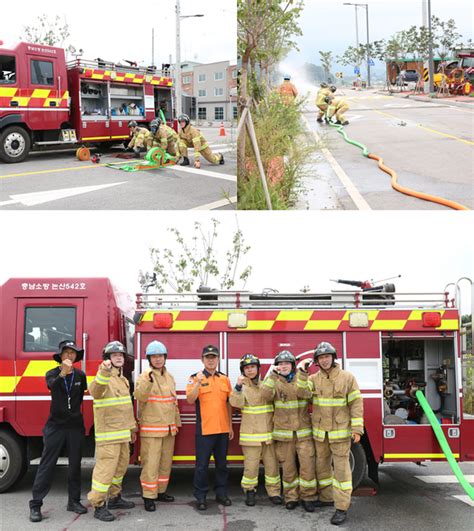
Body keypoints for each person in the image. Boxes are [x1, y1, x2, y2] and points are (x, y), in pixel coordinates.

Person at [302, 342, 364, 526]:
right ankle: (327, 498)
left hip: (340, 433)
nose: (325, 360)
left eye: (327, 356)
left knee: (342, 472)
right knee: (322, 468)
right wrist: (301, 373)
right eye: (321, 358)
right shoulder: (313, 379)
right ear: (317, 361)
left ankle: (341, 508)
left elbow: (356, 403)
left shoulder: (347, 377)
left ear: (333, 357)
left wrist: (356, 428)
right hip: (321, 434)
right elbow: (301, 393)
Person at [29, 341, 88, 522]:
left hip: (75, 427)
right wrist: (63, 374)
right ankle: (36, 505)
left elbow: (79, 397)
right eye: (66, 353)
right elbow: (52, 387)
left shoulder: (80, 375)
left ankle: (74, 501)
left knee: (75, 465)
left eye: (73, 353)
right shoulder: (52, 373)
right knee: (47, 464)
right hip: (56, 426)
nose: (70, 356)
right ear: (60, 356)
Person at [87, 341, 137, 522]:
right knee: (105, 472)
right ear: (107, 358)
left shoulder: (123, 380)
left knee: (121, 467)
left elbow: (126, 407)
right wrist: (104, 371)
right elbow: (95, 391)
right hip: (108, 437)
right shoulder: (103, 376)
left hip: (123, 434)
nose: (119, 357)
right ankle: (98, 505)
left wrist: (132, 428)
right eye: (114, 355)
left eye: (121, 355)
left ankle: (115, 498)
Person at [261, 351, 316, 512]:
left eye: (287, 363)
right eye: (280, 363)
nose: (284, 366)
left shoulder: (303, 379)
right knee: (288, 468)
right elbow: (265, 395)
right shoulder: (274, 381)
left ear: (293, 365)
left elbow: (305, 394)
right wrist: (272, 376)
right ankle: (291, 497)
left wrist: (303, 374)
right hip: (284, 434)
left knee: (307, 466)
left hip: (303, 433)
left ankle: (308, 497)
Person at [134, 341, 181, 512]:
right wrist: (147, 381)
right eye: (154, 357)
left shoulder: (169, 376)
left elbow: (173, 402)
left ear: (165, 357)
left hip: (169, 428)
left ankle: (160, 491)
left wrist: (176, 423)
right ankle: (148, 496)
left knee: (164, 463)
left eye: (160, 356)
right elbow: (140, 396)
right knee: (151, 464)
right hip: (152, 429)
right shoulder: (145, 376)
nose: (158, 359)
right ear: (149, 359)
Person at [229, 354, 281, 507]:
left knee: (272, 466)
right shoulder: (242, 388)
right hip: (251, 436)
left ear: (258, 368)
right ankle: (249, 491)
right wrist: (237, 387)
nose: (250, 370)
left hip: (268, 435)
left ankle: (274, 492)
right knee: (250, 467)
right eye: (246, 368)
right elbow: (235, 402)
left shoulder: (267, 385)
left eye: (252, 367)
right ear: (243, 371)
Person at [186, 345, 233, 511]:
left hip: (222, 430)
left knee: (222, 465)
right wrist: (198, 383)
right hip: (205, 430)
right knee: (202, 466)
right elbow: (190, 399)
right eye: (208, 357)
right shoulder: (194, 378)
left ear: (218, 359)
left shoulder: (224, 379)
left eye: (214, 357)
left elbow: (228, 403)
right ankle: (201, 497)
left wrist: (230, 426)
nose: (211, 360)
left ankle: (221, 494)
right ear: (202, 360)